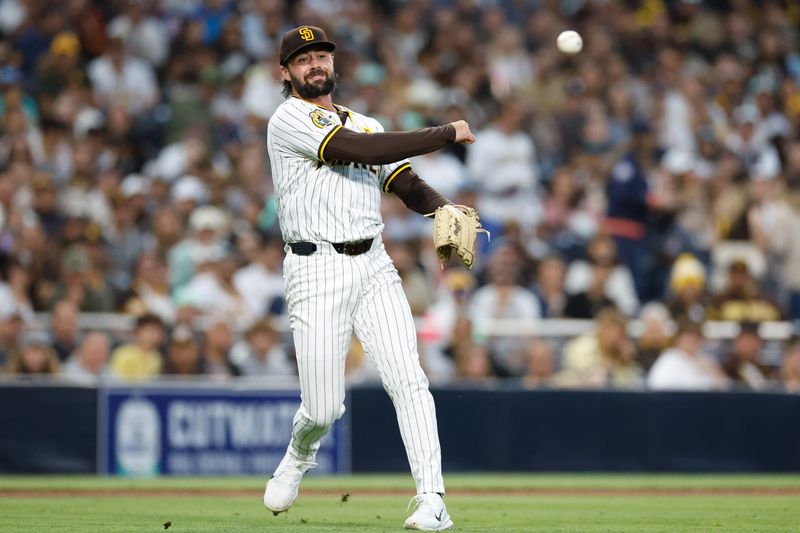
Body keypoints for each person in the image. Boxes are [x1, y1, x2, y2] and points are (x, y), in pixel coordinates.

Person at [262, 25, 477, 531]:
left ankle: (433, 499)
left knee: (409, 380)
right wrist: (445, 133)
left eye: (321, 55)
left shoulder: (364, 120)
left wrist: (444, 208)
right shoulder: (287, 120)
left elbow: (402, 180)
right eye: (303, 58)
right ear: (286, 72)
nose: (315, 64)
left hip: (374, 264)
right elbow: (362, 149)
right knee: (323, 407)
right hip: (315, 268)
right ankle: (299, 453)